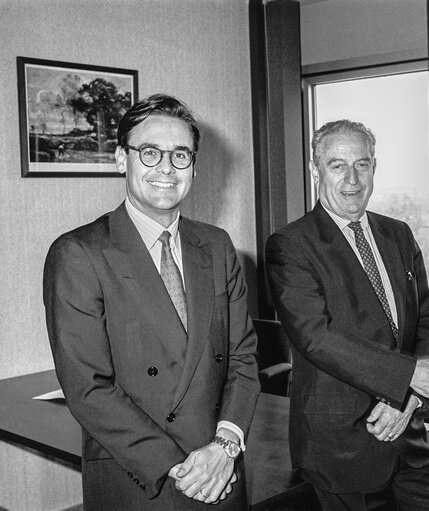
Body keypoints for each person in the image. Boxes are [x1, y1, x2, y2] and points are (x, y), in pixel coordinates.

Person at [43, 94, 260, 510]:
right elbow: (88, 389)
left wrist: (226, 443)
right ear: (122, 160)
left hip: (222, 473)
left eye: (180, 155)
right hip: (143, 479)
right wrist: (183, 469)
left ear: (194, 166)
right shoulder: (78, 253)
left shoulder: (216, 245)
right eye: (149, 152)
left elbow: (243, 356)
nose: (166, 168)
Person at [265, 119, 429, 510]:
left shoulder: (399, 234)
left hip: (408, 435)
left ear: (374, 167)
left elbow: (425, 322)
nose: (352, 179)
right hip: (339, 449)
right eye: (337, 165)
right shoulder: (290, 246)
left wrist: (409, 397)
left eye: (362, 164)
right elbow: (316, 336)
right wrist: (411, 377)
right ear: (315, 171)